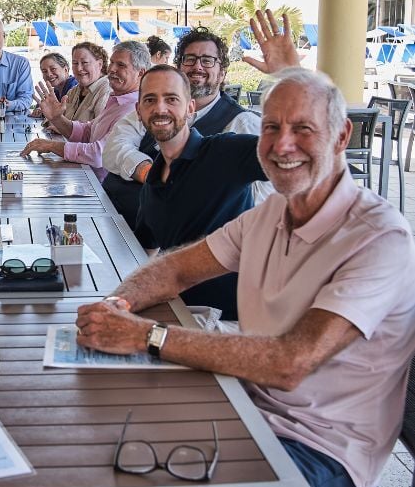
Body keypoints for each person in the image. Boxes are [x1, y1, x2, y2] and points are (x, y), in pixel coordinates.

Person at [47, 14, 415, 487]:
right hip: (245, 403)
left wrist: (145, 337)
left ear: (342, 136)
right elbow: (176, 269)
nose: (282, 145)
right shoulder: (271, 214)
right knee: (74, 438)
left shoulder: (377, 236)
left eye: (303, 129)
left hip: (321, 453)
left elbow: (290, 362)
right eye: (271, 128)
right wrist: (118, 303)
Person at [131, 64, 270, 320]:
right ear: (139, 111)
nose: (160, 108)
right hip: (179, 313)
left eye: (171, 99)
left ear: (190, 108)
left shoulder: (224, 152)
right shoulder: (152, 184)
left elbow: (296, 150)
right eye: (150, 100)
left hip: (234, 321)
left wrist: (288, 73)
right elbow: (145, 251)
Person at [103, 25, 262, 229]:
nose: (197, 67)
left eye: (207, 60)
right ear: (179, 67)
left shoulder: (241, 123)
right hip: (115, 219)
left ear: (222, 73)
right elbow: (113, 147)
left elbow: (260, 200)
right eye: (190, 59)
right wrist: (149, 173)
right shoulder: (157, 108)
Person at [20, 41, 150, 182]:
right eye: (112, 63)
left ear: (141, 73)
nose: (112, 69)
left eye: (121, 65)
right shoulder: (116, 99)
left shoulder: (133, 108)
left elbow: (100, 154)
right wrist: (57, 118)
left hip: (103, 189)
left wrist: (51, 145)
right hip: (85, 178)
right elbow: (88, 132)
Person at [60, 42, 111, 123]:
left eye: (84, 62)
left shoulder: (107, 91)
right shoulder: (73, 92)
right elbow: (58, 120)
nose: (79, 68)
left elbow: (101, 128)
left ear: (100, 64)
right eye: (75, 63)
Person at [30, 53, 77, 118]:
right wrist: (39, 109)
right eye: (44, 71)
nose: (49, 74)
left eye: (53, 69)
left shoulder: (74, 86)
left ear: (66, 69)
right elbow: (43, 104)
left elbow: (68, 114)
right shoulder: (56, 90)